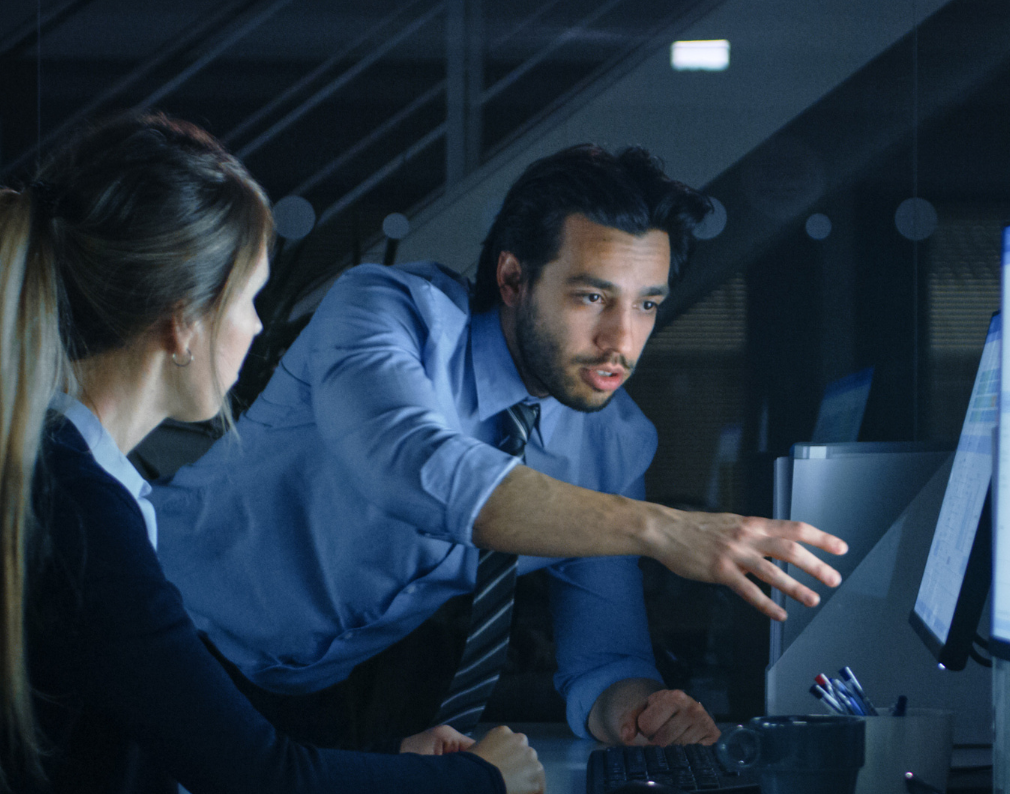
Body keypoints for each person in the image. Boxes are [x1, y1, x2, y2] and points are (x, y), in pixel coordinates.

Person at [0, 112, 545, 794]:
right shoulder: (77, 512)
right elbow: (272, 793)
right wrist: (482, 776)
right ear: (180, 323)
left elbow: (226, 748)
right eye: (248, 298)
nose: (256, 328)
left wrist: (394, 765)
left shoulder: (54, 476)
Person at [152, 144, 847, 750]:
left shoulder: (612, 442)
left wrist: (641, 711)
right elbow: (416, 467)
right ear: (513, 279)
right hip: (154, 629)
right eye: (592, 298)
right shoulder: (385, 313)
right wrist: (660, 528)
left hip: (297, 696)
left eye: (646, 304)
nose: (622, 341)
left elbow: (603, 655)